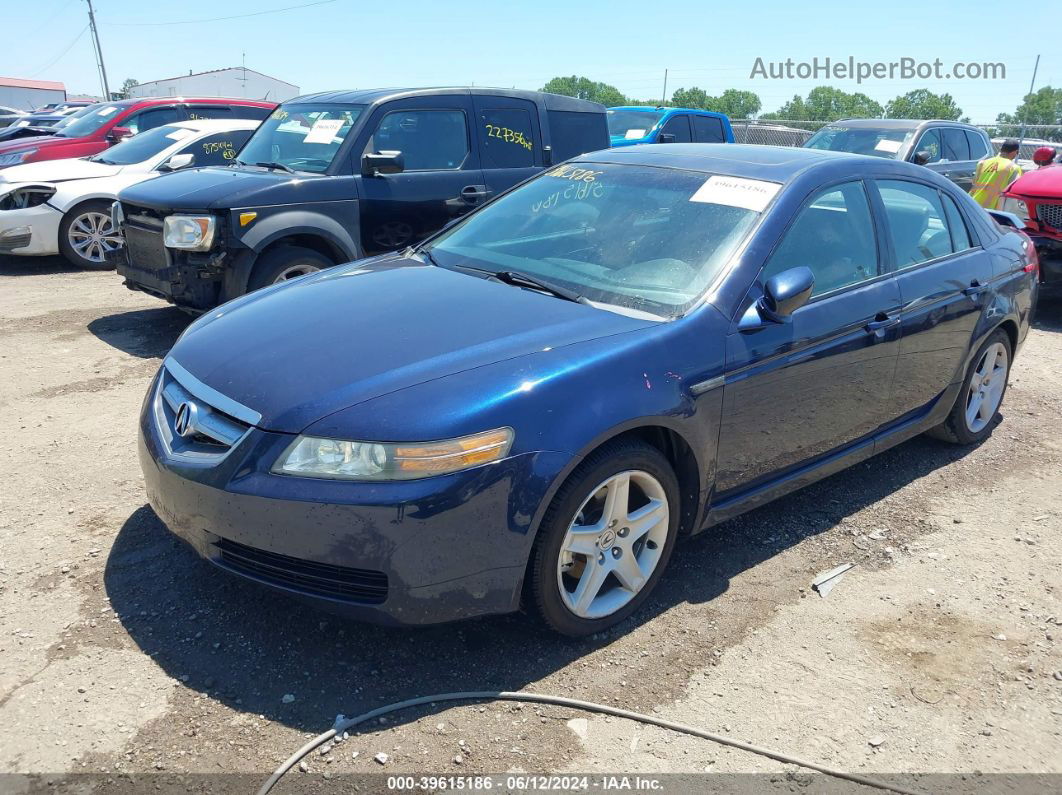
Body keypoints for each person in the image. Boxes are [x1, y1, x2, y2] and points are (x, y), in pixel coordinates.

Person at [970, 139, 1023, 209]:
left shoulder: (982, 163)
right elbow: (1014, 193)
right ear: (1015, 152)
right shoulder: (1013, 168)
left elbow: (974, 184)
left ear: (1001, 149)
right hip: (992, 211)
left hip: (972, 204)